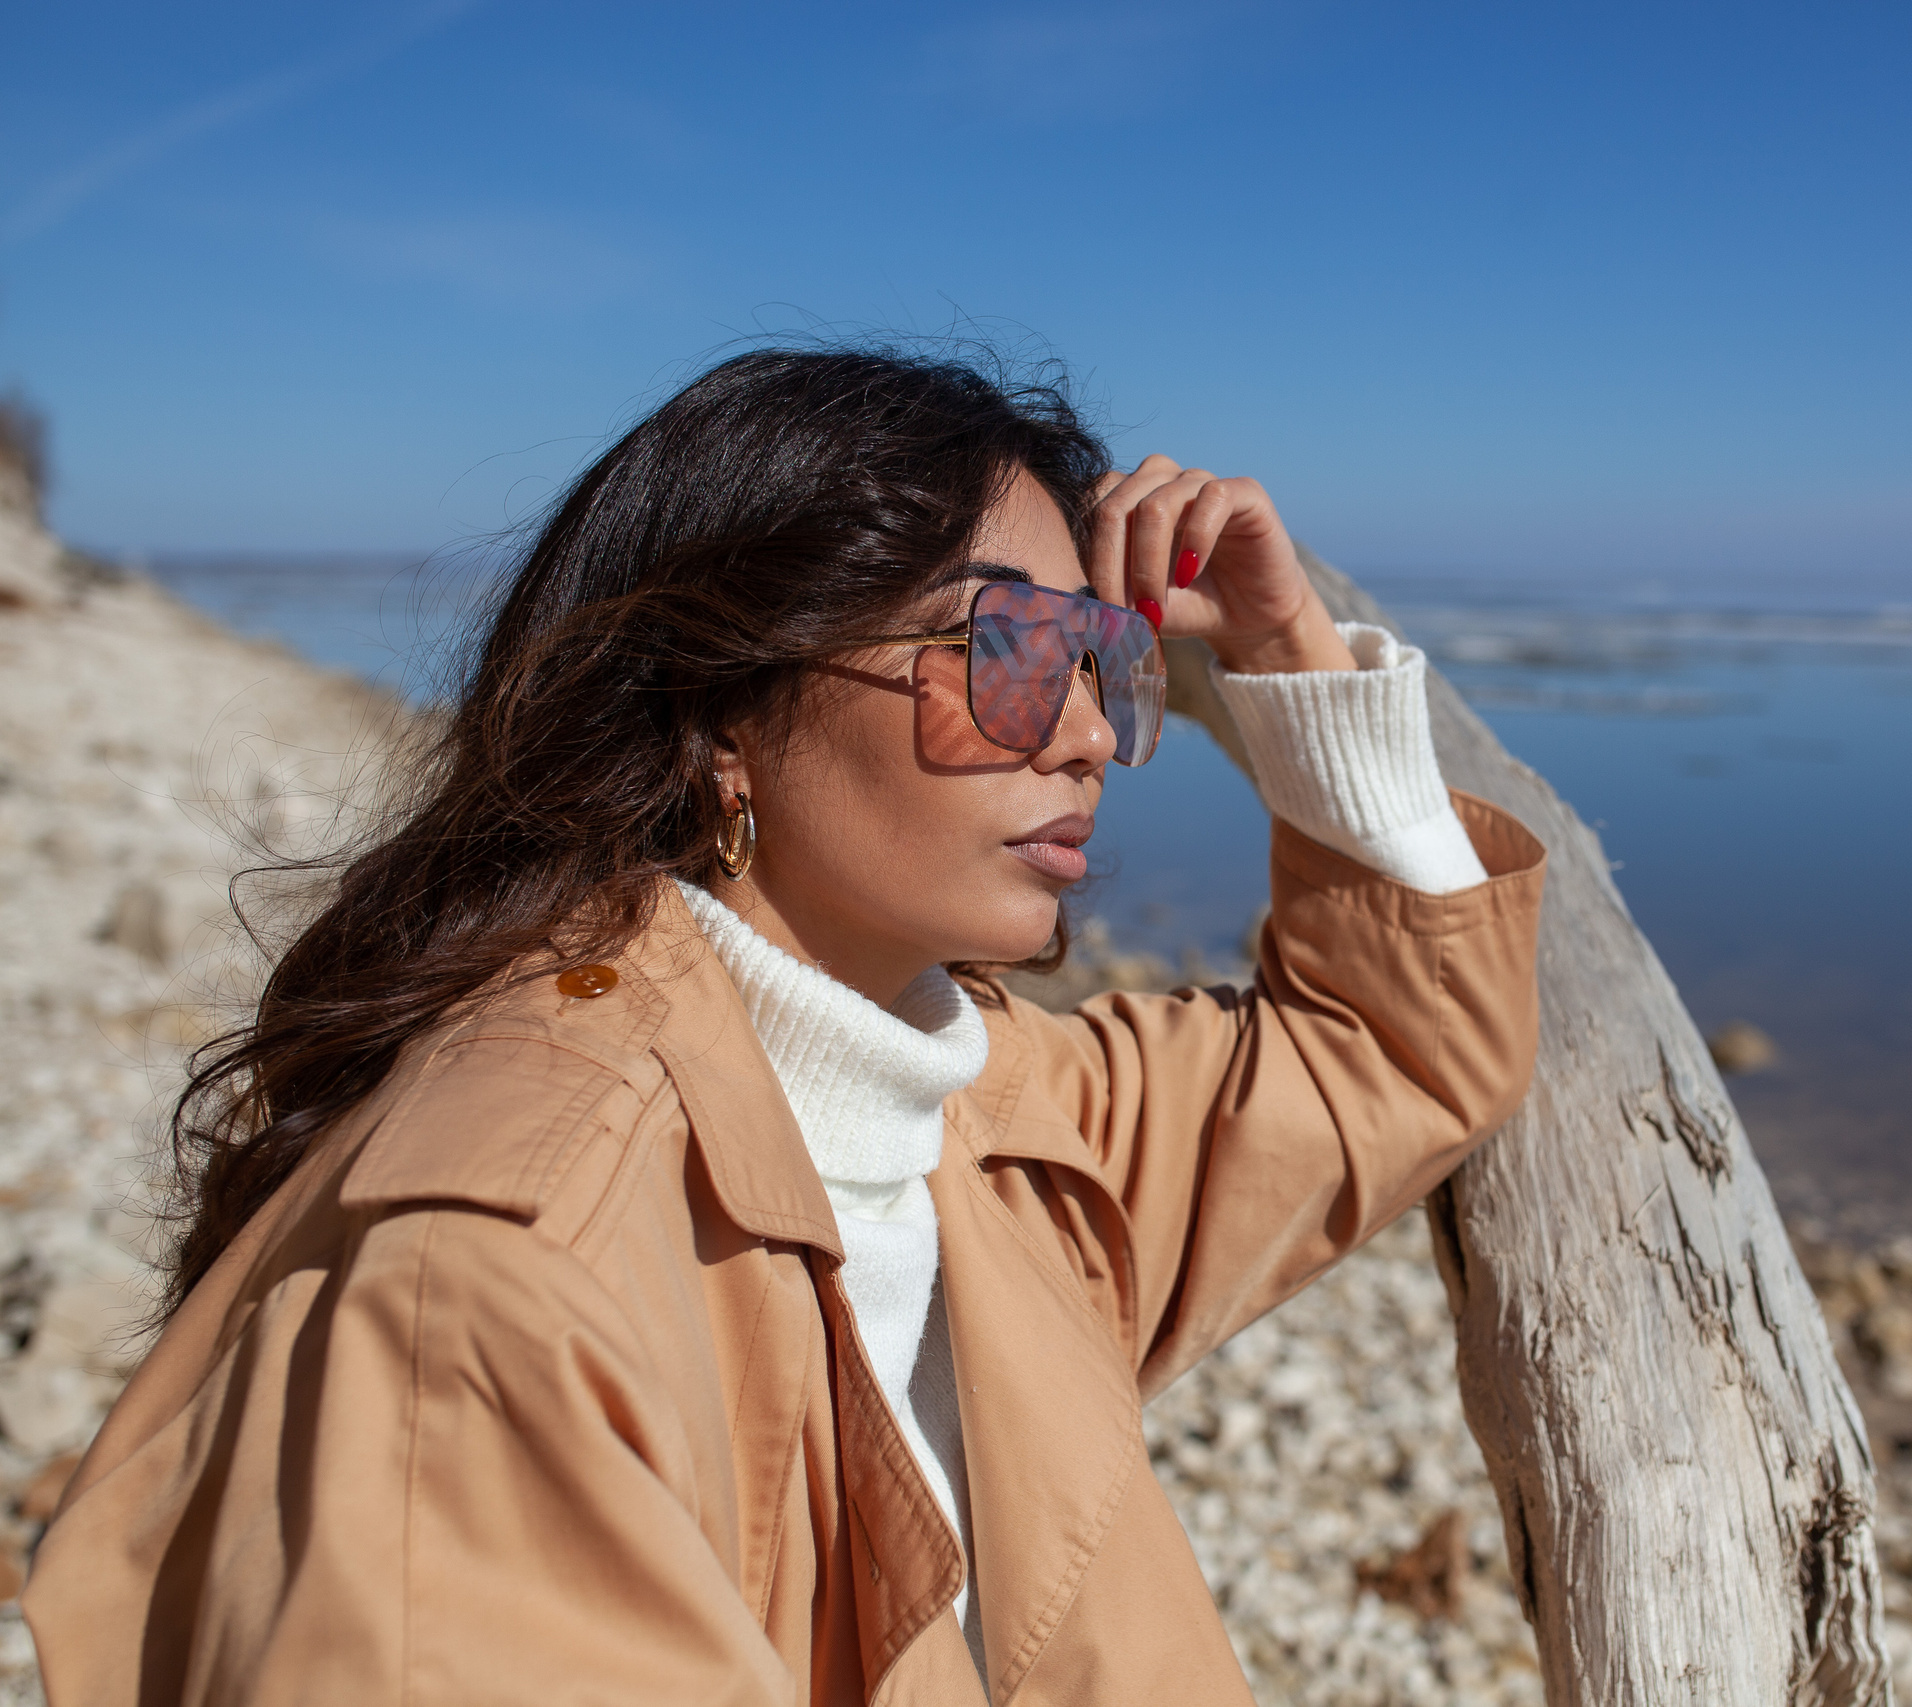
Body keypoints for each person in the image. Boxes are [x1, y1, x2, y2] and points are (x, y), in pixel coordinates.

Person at [23, 346, 1544, 1705]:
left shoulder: (979, 1113)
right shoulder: (495, 1271)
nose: (1091, 734)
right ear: (724, 719)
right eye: (1008, 655)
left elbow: (1396, 1041)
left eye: (1100, 662)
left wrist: (1284, 648)